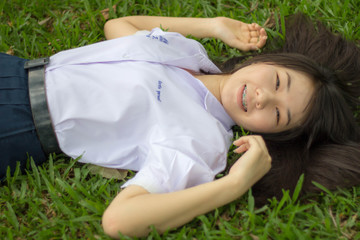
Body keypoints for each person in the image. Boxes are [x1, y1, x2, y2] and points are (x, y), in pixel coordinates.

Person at [0, 13, 359, 238]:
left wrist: (235, 184)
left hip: (17, 122)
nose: (265, 97)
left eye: (279, 115)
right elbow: (120, 27)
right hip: (14, 69)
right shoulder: (190, 54)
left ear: (270, 134)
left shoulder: (200, 142)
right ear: (268, 60)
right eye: (278, 81)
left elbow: (120, 221)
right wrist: (213, 26)